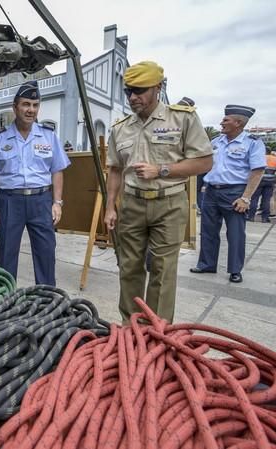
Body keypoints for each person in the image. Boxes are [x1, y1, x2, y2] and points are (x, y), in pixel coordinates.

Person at [104, 61, 213, 324]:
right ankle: (132, 330)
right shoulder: (121, 127)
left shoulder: (182, 118)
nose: (133, 97)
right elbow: (116, 169)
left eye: (140, 90)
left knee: (163, 272)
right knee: (129, 268)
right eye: (129, 91)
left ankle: (157, 331)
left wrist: (161, 170)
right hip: (132, 203)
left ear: (158, 88)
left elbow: (204, 162)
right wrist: (110, 207)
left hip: (169, 203)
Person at [0, 80, 69, 286]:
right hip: (9, 202)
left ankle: (46, 301)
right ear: (15, 107)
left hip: (41, 200)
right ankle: (6, 299)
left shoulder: (48, 136)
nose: (31, 110)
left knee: (46, 253)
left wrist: (57, 203)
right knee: (7, 255)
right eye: (26, 104)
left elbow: (57, 170)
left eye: (35, 105)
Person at [191, 105, 266, 284]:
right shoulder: (216, 141)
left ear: (238, 123)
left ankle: (235, 270)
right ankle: (207, 264)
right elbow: (205, 165)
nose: (221, 123)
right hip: (211, 191)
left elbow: (257, 172)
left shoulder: (253, 142)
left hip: (235, 193)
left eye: (226, 120)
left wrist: (246, 198)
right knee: (208, 231)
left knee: (235, 233)